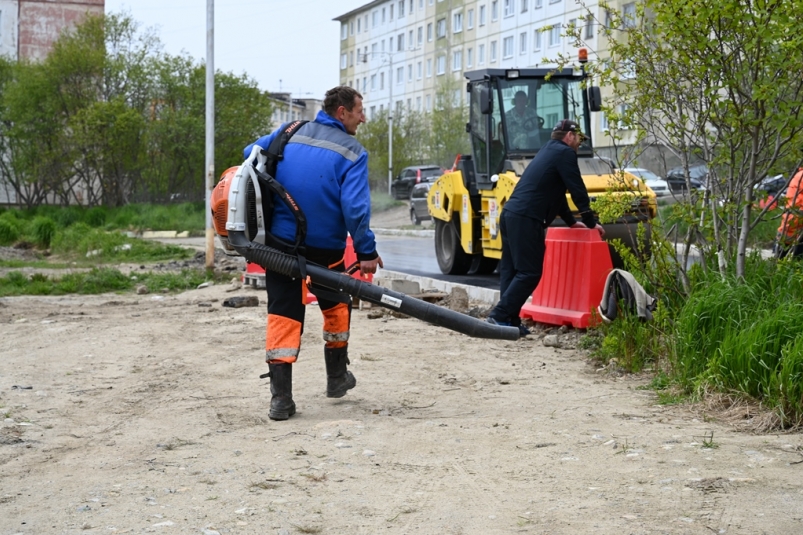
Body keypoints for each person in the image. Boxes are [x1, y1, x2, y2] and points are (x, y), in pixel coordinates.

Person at [243, 86, 383, 421]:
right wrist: (366, 250)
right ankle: (336, 378)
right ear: (342, 112)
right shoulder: (351, 151)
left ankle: (281, 400)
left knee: (283, 313)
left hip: (279, 246)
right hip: (326, 250)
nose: (363, 117)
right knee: (336, 306)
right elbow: (355, 208)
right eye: (359, 111)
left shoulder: (288, 132)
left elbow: (250, 153)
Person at [487, 119, 604, 336]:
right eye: (579, 138)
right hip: (526, 217)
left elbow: (556, 194)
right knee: (530, 272)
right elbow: (576, 187)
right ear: (570, 135)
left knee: (511, 270)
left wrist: (571, 221)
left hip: (511, 214)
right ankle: (500, 315)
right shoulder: (565, 153)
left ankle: (509, 321)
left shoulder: (548, 151)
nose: (579, 143)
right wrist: (590, 220)